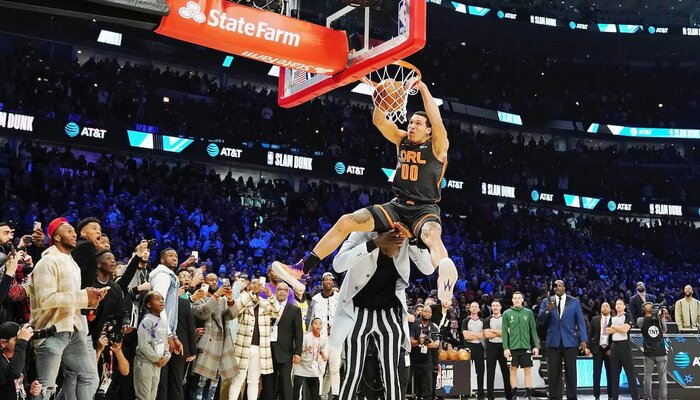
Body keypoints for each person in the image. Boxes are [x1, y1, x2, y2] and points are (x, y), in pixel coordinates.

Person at [273, 79, 457, 303]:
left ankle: (445, 280)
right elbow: (379, 121)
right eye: (410, 122)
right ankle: (302, 270)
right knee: (346, 221)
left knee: (432, 235)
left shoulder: (438, 145)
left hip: (424, 208)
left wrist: (424, 88)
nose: (411, 126)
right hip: (397, 206)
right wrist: (383, 95)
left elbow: (436, 119)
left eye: (418, 123)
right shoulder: (401, 140)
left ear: (428, 130)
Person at [331, 229, 433, 400]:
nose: (397, 242)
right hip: (358, 312)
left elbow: (428, 269)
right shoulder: (360, 234)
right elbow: (338, 264)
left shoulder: (404, 238)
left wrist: (413, 239)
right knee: (352, 373)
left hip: (390, 313)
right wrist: (374, 243)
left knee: (391, 373)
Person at [28, 217, 107, 400]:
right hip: (50, 330)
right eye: (69, 231)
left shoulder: (71, 262)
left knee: (89, 377)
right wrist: (83, 296)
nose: (74, 235)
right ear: (56, 237)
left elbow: (72, 298)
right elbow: (46, 299)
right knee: (45, 388)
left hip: (71, 327)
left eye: (73, 231)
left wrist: (91, 298)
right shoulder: (47, 262)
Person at [537, 280, 588, 400]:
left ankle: (572, 397)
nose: (557, 288)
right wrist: (547, 310)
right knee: (553, 373)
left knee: (571, 372)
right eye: (555, 286)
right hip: (553, 341)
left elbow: (581, 322)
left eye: (559, 286)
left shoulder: (575, 302)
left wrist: (583, 340)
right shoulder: (546, 302)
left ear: (564, 287)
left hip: (570, 341)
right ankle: (555, 397)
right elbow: (540, 320)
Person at [229, 278, 278, 400]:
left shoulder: (266, 303)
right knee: (238, 379)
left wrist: (271, 295)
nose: (256, 285)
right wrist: (251, 294)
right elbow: (234, 311)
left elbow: (277, 312)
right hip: (242, 347)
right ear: (250, 286)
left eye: (259, 283)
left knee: (253, 380)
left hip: (260, 349)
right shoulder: (243, 300)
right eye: (254, 283)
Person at [191, 283, 238, 400]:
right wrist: (217, 295)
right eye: (210, 280)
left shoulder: (222, 300)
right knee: (200, 383)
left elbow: (232, 315)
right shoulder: (198, 299)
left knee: (213, 384)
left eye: (215, 280)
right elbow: (203, 313)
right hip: (206, 344)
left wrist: (230, 299)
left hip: (221, 344)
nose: (213, 282)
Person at [264, 282, 303, 400]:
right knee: (268, 382)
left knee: (285, 382)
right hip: (268, 350)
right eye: (279, 289)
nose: (281, 291)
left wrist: (297, 352)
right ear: (276, 291)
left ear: (288, 293)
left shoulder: (294, 310)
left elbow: (299, 333)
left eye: (284, 290)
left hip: (286, 352)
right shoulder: (267, 306)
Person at [306, 272, 339, 399]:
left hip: (336, 339)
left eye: (330, 280)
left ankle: (335, 395)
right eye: (326, 280)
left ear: (333, 282)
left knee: (335, 369)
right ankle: (318, 395)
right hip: (320, 339)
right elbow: (309, 320)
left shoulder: (339, 298)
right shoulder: (315, 300)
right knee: (319, 369)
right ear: (322, 283)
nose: (328, 282)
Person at [502, 291, 540, 400]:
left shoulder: (528, 313)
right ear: (512, 300)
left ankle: (528, 395)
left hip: (526, 347)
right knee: (512, 371)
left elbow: (533, 329)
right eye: (515, 298)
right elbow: (504, 332)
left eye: (519, 298)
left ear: (522, 300)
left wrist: (536, 346)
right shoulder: (507, 313)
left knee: (528, 371)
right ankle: (514, 395)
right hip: (512, 348)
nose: (517, 300)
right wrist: (505, 348)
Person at [134, 291, 171, 400]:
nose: (161, 301)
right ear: (148, 305)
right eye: (157, 299)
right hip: (145, 361)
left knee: (152, 396)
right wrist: (157, 358)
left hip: (157, 363)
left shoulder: (163, 322)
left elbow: (165, 342)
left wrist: (167, 356)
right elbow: (143, 344)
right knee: (143, 396)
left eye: (162, 299)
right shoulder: (146, 321)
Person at [607, 299, 640, 400]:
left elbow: (625, 329)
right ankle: (614, 397)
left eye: (620, 304)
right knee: (614, 374)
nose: (618, 305)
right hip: (614, 346)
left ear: (624, 306)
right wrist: (619, 328)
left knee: (630, 373)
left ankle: (635, 397)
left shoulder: (628, 316)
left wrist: (615, 328)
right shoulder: (612, 318)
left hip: (624, 346)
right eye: (616, 304)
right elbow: (608, 330)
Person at [0, 322, 42, 400]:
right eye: (17, 340)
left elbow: (21, 385)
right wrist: (22, 342)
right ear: (3, 343)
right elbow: (14, 373)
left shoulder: (18, 357)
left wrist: (30, 388)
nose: (21, 342)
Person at [637, 302, 668, 400]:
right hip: (659, 352)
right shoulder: (649, 319)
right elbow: (664, 329)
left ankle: (647, 397)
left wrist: (661, 316)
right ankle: (662, 398)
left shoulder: (640, 320)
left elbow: (664, 330)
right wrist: (661, 317)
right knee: (662, 377)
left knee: (648, 376)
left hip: (649, 352)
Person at [410, 305, 440, 400]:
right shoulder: (414, 324)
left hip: (427, 358)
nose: (427, 314)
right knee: (406, 381)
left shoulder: (433, 326)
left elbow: (436, 344)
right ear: (421, 312)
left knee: (427, 383)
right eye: (425, 311)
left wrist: (430, 344)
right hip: (413, 357)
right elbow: (410, 341)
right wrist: (419, 341)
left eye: (429, 312)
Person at [293, 317, 328, 400]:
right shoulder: (305, 337)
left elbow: (321, 348)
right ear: (312, 326)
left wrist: (323, 355)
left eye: (320, 324)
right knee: (296, 391)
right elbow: (298, 350)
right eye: (315, 323)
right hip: (301, 366)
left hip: (312, 367)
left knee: (315, 392)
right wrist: (305, 349)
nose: (318, 325)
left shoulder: (323, 339)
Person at [483, 299, 511, 400]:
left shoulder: (506, 318)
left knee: (507, 373)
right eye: (493, 305)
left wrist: (493, 331)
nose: (495, 307)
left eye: (496, 305)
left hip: (504, 348)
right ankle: (490, 396)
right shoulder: (487, 320)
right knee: (490, 373)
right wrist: (501, 332)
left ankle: (509, 396)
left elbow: (508, 333)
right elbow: (487, 334)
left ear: (500, 307)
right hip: (491, 347)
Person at [588, 302, 612, 400]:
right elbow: (590, 334)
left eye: (607, 306)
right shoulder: (595, 319)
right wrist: (589, 348)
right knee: (596, 373)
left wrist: (611, 349)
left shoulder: (614, 320)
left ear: (610, 309)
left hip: (609, 350)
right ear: (601, 309)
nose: (605, 308)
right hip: (597, 349)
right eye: (603, 306)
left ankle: (611, 395)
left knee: (610, 373)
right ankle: (596, 396)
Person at [461, 301, 485, 400]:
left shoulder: (483, 321)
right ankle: (464, 393)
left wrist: (472, 334)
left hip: (479, 347)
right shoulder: (465, 321)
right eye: (472, 307)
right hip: (468, 347)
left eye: (476, 306)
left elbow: (483, 336)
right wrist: (477, 335)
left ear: (479, 309)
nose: (474, 308)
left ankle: (481, 395)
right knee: (466, 371)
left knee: (480, 372)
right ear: (469, 309)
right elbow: (466, 336)